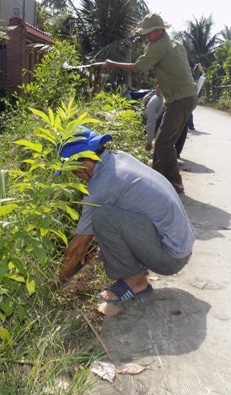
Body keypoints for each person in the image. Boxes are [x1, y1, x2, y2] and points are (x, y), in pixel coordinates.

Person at [57, 127, 195, 304]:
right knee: (110, 215)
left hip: (171, 258)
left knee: (102, 216)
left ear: (83, 161)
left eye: (73, 171)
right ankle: (138, 266)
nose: (75, 177)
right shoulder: (118, 157)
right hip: (182, 244)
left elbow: (77, 249)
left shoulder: (100, 187)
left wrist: (51, 287)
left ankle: (135, 281)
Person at [102, 13, 197, 193]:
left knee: (163, 142)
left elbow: (139, 67)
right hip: (184, 96)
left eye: (150, 33)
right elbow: (178, 68)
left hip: (180, 99)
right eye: (145, 33)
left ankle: (174, 181)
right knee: (164, 140)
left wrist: (113, 63)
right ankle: (158, 177)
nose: (147, 36)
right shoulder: (175, 43)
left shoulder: (158, 46)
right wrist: (163, 83)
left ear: (160, 30)